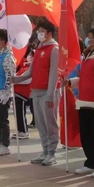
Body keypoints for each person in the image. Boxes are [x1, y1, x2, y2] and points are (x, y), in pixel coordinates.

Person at [13, 20, 61, 166]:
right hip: (36, 91)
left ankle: (51, 154)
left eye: (42, 31)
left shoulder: (54, 49)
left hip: (49, 92)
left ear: (49, 33)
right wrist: (16, 78)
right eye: (38, 31)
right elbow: (31, 71)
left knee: (50, 124)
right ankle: (44, 151)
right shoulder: (39, 49)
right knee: (41, 125)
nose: (39, 33)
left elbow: (54, 74)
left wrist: (51, 94)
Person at [69, 28, 94, 178]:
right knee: (86, 136)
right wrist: (71, 82)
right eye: (88, 37)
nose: (88, 40)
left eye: (91, 38)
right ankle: (91, 162)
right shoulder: (87, 57)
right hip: (83, 102)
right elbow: (86, 79)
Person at [12, 46, 34, 139]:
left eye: (32, 55)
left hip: (23, 93)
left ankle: (24, 131)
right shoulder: (25, 66)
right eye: (29, 54)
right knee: (17, 113)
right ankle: (20, 130)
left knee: (20, 113)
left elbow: (27, 80)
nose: (29, 56)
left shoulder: (31, 68)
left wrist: (14, 80)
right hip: (17, 92)